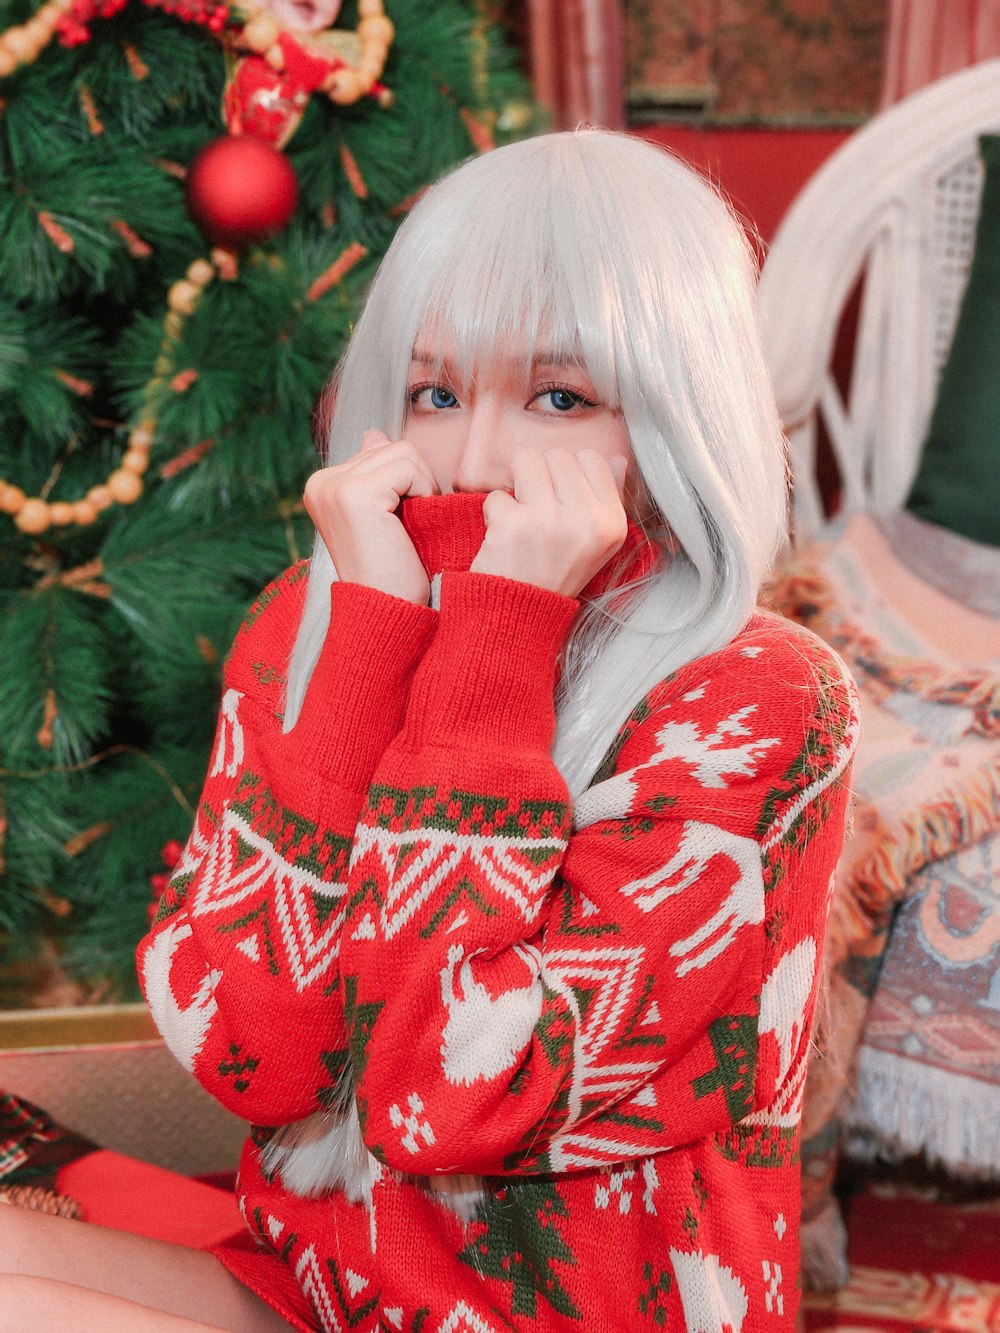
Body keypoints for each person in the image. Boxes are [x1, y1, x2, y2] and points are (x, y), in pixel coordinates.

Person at [0, 128, 859, 1332]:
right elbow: (253, 1052)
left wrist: (492, 649)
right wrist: (361, 648)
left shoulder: (758, 697)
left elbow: (446, 1103)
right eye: (435, 391)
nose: (476, 457)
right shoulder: (318, 616)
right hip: (328, 1283)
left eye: (560, 396)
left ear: (670, 416)